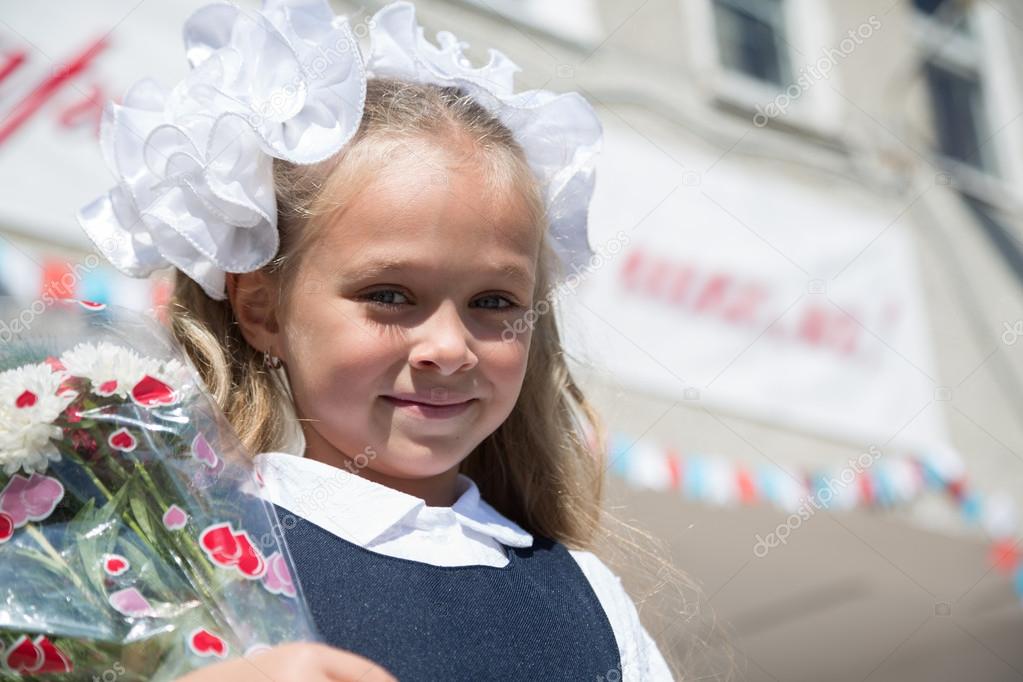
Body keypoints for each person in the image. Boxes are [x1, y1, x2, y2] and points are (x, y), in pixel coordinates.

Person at [78, 1, 677, 679]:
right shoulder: (185, 554)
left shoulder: (588, 601)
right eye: (389, 296)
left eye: (492, 301)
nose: (449, 347)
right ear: (263, 309)